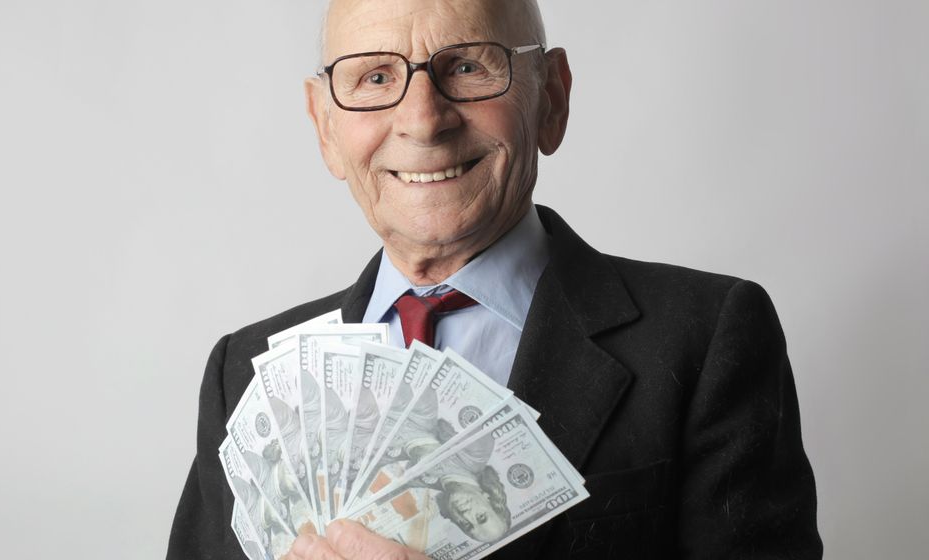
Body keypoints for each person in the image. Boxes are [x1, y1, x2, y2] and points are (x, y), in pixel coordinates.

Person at [167, 0, 822, 558]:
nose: (423, 120)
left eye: (466, 66)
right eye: (375, 76)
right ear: (325, 127)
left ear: (552, 98)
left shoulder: (704, 338)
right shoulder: (242, 375)